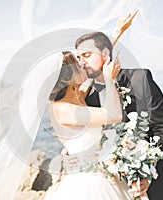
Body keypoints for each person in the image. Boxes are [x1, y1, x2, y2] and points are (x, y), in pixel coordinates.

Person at [74, 30, 163, 199]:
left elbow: (162, 128)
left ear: (105, 54)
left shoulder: (138, 78)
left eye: (86, 55)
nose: (81, 62)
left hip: (149, 175)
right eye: (79, 58)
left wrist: (147, 171)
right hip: (110, 179)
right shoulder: (88, 95)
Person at [44, 51, 133, 200]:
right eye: (77, 64)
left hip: (103, 173)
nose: (82, 64)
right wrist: (109, 79)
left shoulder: (76, 95)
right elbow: (113, 115)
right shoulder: (64, 110)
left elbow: (96, 63)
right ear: (68, 76)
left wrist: (117, 33)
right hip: (89, 182)